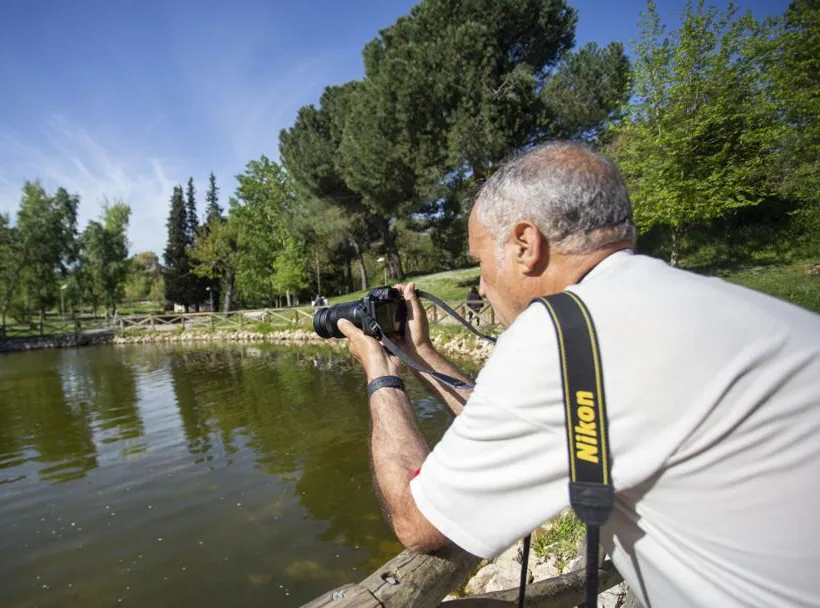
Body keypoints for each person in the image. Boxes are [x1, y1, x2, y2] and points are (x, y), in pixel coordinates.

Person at [337, 141, 820, 607]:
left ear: (525, 244)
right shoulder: (695, 298)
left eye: (481, 261)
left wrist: (380, 371)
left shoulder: (562, 332)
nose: (481, 287)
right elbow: (521, 420)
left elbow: (418, 520)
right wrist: (420, 351)